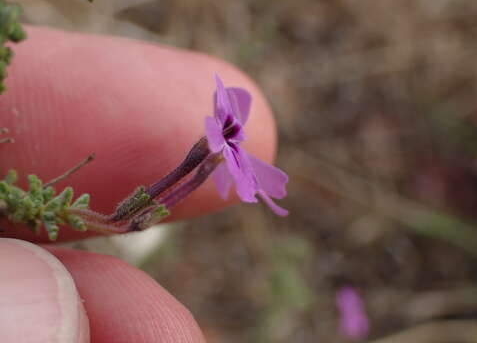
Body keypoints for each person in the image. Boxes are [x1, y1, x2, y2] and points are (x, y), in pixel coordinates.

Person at [0, 26, 277, 343]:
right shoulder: (213, 142)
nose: (233, 137)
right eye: (227, 134)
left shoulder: (218, 150)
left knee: (126, 221)